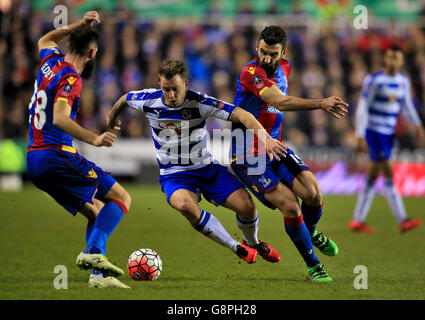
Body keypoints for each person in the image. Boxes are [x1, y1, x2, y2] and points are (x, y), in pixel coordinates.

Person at [107, 60, 287, 265]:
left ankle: (252, 242)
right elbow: (124, 99)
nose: (171, 95)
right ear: (159, 83)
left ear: (186, 83)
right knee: (185, 205)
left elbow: (243, 115)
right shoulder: (147, 100)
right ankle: (235, 246)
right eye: (166, 89)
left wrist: (267, 140)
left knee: (247, 207)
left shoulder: (200, 102)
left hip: (206, 168)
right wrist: (112, 117)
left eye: (175, 89)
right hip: (174, 174)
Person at [230, 26, 348, 282]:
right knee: (292, 207)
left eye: (272, 54)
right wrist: (320, 102)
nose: (266, 59)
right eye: (262, 52)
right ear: (257, 47)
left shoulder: (286, 67)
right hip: (247, 155)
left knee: (314, 194)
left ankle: (311, 231)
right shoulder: (251, 72)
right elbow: (279, 102)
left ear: (283, 52)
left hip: (275, 146)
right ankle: (313, 266)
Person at [26, 12, 131, 289]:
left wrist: (79, 25)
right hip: (55, 153)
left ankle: (98, 276)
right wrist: (94, 139)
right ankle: (92, 253)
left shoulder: (50, 61)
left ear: (70, 42)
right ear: (93, 52)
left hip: (34, 158)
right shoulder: (72, 79)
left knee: (96, 213)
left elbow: (45, 38)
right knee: (121, 197)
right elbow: (60, 118)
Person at [350, 44, 424, 234]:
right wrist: (359, 135)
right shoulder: (374, 80)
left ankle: (357, 220)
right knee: (389, 171)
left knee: (373, 174)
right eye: (389, 57)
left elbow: (406, 105)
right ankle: (402, 219)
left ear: (401, 61)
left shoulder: (403, 82)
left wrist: (417, 125)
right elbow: (363, 107)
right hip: (375, 131)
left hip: (389, 133)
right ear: (385, 59)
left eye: (396, 57)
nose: (392, 60)